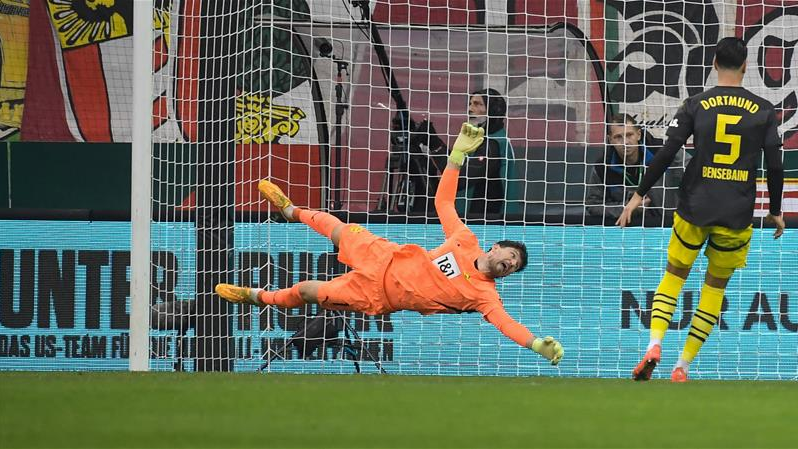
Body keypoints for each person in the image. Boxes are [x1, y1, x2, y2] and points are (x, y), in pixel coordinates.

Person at [217, 123, 564, 365]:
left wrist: (536, 343)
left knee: (307, 290)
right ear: (496, 247)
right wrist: (456, 155)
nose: (510, 264)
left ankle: (256, 296)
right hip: (385, 256)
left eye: (513, 267)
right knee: (339, 229)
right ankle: (291, 211)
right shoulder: (465, 240)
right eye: (511, 256)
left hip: (374, 294)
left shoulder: (484, 296)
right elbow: (444, 203)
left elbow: (506, 324)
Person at [617, 37, 785, 382]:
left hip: (695, 207)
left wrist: (637, 195)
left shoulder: (696, 104)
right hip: (736, 213)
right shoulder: (765, 110)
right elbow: (775, 165)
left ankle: (654, 343)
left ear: (713, 64)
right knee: (714, 288)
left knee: (673, 276)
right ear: (746, 66)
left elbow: (666, 153)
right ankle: (683, 365)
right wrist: (776, 209)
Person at [408, 88, 515, 216]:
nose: (470, 108)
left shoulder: (493, 145)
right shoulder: (484, 140)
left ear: (493, 111)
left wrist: (435, 144)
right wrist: (434, 145)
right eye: (470, 104)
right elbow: (459, 167)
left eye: (477, 104)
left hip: (485, 222)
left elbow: (459, 180)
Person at [586, 114, 666, 224]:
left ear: (638, 135)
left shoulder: (662, 154)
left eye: (629, 135)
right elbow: (593, 205)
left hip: (663, 222)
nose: (625, 142)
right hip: (624, 225)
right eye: (618, 137)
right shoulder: (602, 166)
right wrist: (627, 208)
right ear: (610, 140)